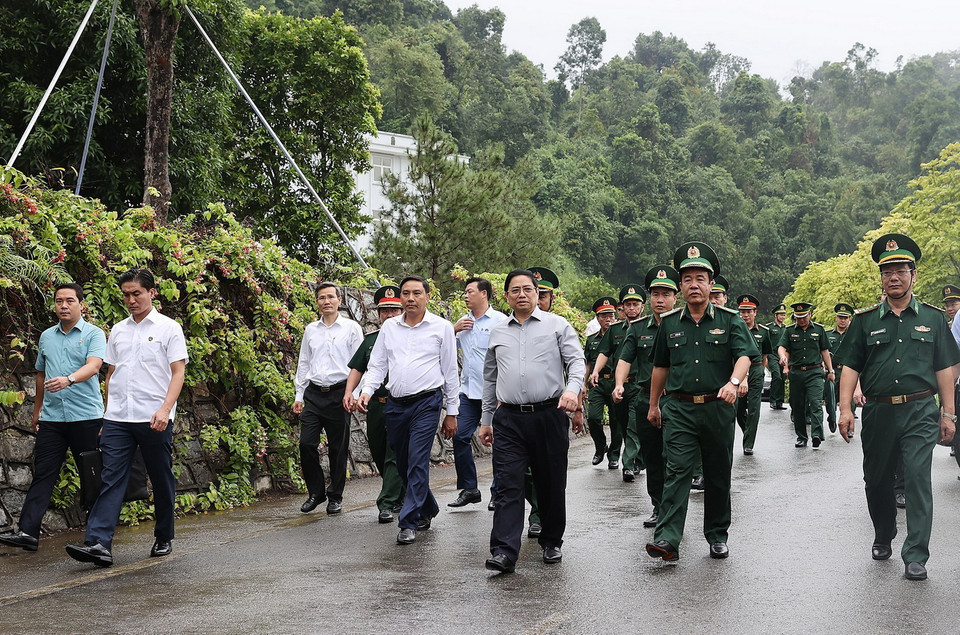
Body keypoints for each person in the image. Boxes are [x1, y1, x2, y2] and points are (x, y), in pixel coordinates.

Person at [836, 233, 960, 581]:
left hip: (920, 410)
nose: (893, 277)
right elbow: (850, 368)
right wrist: (845, 410)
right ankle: (883, 532)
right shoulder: (864, 321)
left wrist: (948, 413)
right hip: (878, 412)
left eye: (900, 270)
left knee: (918, 479)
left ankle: (916, 554)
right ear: (881, 277)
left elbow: (945, 369)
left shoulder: (934, 319)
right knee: (877, 480)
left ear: (913, 275)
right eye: (887, 271)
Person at [66, 268, 187, 567]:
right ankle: (98, 543)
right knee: (110, 478)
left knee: (160, 477)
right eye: (126, 295)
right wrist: (107, 414)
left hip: (153, 417)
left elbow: (178, 373)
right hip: (118, 418)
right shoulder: (118, 330)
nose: (131, 300)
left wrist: (165, 409)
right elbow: (111, 373)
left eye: (136, 293)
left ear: (151, 293)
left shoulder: (169, 328)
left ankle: (164, 535)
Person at [645, 242, 754, 562]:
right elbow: (660, 367)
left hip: (717, 408)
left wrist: (734, 382)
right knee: (677, 471)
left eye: (700, 279)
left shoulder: (730, 320)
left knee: (718, 474)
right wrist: (654, 405)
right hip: (679, 408)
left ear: (711, 284)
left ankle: (717, 535)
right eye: (688, 279)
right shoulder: (670, 323)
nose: (694, 284)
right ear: (680, 286)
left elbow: (745, 356)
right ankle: (667, 538)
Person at [479, 269, 585, 573]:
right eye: (515, 290)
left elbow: (576, 362)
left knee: (550, 482)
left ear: (538, 294)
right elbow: (490, 378)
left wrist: (572, 390)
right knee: (508, 484)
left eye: (528, 289)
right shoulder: (498, 332)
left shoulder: (557, 325)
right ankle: (504, 552)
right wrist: (487, 419)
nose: (521, 294)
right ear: (506, 296)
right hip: (509, 419)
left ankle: (551, 540)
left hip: (549, 415)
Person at [0, 284, 106, 553]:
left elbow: (94, 366)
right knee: (43, 473)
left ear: (81, 304)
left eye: (70, 300)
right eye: (59, 301)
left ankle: (97, 539)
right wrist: (37, 410)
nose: (64, 305)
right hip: (53, 419)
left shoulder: (94, 334)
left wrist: (69, 379)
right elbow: (41, 374)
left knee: (91, 476)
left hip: (86, 417)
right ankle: (27, 532)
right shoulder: (47, 336)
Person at [358, 276, 459, 545]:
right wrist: (366, 391)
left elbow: (450, 371)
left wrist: (452, 412)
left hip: (427, 403)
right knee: (402, 463)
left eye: (416, 293)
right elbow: (377, 365)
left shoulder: (441, 327)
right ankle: (428, 507)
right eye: (406, 293)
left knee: (416, 460)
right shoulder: (390, 327)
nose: (410, 298)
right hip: (395, 404)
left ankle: (408, 521)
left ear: (427, 296)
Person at [613, 265, 680, 529]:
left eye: (666, 294)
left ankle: (673, 509)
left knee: (674, 457)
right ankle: (658, 506)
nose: (660, 300)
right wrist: (619, 384)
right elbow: (625, 359)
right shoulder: (638, 328)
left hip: (677, 401)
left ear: (675, 297)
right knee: (652, 457)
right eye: (655, 294)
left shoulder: (685, 325)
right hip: (645, 399)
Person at [293, 282, 363, 516]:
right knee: (306, 443)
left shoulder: (351, 328)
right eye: (322, 298)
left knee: (337, 448)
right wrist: (299, 395)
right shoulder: (311, 329)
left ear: (339, 300)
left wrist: (354, 393)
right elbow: (304, 362)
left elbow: (360, 364)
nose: (327, 301)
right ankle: (316, 493)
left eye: (331, 297)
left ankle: (335, 496)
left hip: (340, 392)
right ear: (317, 302)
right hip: (314, 393)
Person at [343, 286, 405, 523]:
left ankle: (386, 503)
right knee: (379, 453)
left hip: (401, 405)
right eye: (384, 311)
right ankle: (401, 494)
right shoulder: (371, 340)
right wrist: (349, 392)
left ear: (402, 311)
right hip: (376, 406)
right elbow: (357, 368)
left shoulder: (410, 337)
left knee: (394, 454)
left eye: (394, 310)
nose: (389, 315)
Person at [449, 277, 506, 508]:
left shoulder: (500, 322)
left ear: (484, 293)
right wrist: (452, 330)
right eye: (464, 292)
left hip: (495, 394)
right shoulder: (461, 323)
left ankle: (498, 491)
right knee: (460, 436)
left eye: (470, 291)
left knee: (499, 442)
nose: (465, 295)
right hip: (468, 393)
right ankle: (470, 489)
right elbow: (445, 350)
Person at [591, 285, 646, 478]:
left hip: (639, 385)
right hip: (620, 386)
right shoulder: (614, 330)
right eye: (628, 305)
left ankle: (628, 465)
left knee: (632, 426)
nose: (632, 308)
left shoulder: (649, 327)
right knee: (623, 424)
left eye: (635, 304)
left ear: (642, 307)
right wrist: (595, 371)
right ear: (622, 307)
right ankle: (639, 459)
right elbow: (604, 352)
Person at [778, 302, 833, 449]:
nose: (801, 320)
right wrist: (783, 357)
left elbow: (824, 351)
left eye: (804, 317)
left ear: (810, 314)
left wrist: (831, 370)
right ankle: (801, 437)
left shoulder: (819, 330)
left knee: (815, 403)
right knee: (798, 406)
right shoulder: (789, 330)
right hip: (796, 373)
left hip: (814, 372)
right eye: (798, 317)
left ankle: (816, 434)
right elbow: (782, 347)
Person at [735, 294, 771, 455]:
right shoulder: (735, 330)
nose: (745, 315)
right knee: (738, 409)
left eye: (749, 312)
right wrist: (742, 378)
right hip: (738, 371)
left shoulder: (763, 332)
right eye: (742, 312)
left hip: (756, 371)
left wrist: (760, 372)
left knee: (754, 408)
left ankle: (748, 444)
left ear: (755, 313)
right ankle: (748, 432)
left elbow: (765, 355)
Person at [584, 297, 618, 465]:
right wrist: (583, 384)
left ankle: (614, 456)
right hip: (597, 383)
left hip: (615, 383)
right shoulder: (592, 339)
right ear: (598, 318)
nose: (608, 319)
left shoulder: (621, 337)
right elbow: (588, 364)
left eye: (611, 315)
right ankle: (600, 446)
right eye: (604, 316)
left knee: (616, 422)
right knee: (593, 418)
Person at [824, 303, 854, 434]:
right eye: (840, 317)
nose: (842, 320)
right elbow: (823, 352)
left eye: (845, 318)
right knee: (831, 398)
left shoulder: (853, 335)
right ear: (836, 318)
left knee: (849, 400)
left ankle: (848, 427)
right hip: (832, 370)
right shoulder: (827, 334)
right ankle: (831, 417)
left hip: (848, 370)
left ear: (849, 319)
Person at [766, 304, 788, 410]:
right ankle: (773, 400)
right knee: (776, 376)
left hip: (783, 355)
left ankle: (780, 402)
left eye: (784, 315)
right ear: (776, 315)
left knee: (783, 378)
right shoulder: (769, 327)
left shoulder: (785, 328)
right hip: (772, 354)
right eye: (781, 315)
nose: (783, 317)